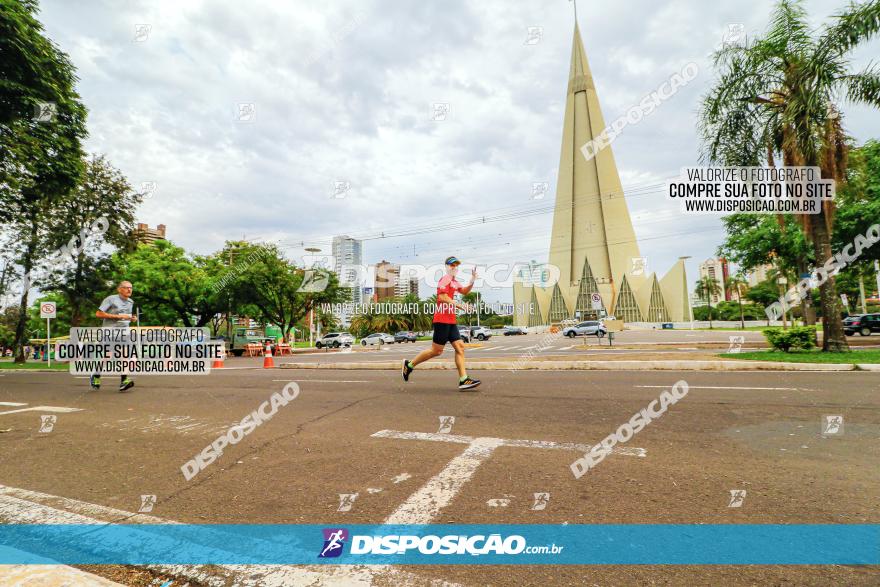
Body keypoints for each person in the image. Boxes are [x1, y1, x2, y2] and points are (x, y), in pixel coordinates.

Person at [402, 256, 481, 391]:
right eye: (452, 265)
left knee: (460, 348)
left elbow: (465, 291)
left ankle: (463, 380)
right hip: (442, 320)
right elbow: (441, 297)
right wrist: (459, 305)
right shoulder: (445, 279)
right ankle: (409, 365)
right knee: (436, 351)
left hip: (451, 320)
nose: (454, 267)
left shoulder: (454, 282)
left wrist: (472, 281)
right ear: (446, 267)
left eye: (456, 265)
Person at [90, 280, 138, 392]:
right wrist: (118, 316)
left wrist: (132, 318)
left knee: (125, 355)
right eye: (126, 287)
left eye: (131, 287)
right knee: (107, 356)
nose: (129, 289)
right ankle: (96, 375)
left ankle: (124, 381)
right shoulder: (111, 299)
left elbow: (125, 317)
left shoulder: (130, 302)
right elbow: (98, 314)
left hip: (124, 332)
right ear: (119, 289)